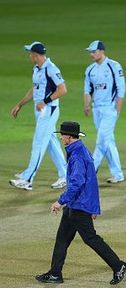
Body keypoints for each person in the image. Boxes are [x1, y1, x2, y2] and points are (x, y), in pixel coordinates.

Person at [35, 121, 126, 285]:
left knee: (90, 238)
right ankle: (55, 273)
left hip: (79, 205)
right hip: (76, 204)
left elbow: (78, 183)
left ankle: (118, 265)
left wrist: (60, 201)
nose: (61, 138)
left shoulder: (78, 155)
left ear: (69, 137)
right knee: (63, 238)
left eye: (62, 135)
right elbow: (90, 182)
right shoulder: (78, 150)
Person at [9, 41, 67, 191]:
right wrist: (19, 104)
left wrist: (45, 101)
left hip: (49, 110)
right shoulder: (37, 69)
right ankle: (66, 174)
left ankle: (28, 179)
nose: (29, 55)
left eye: (30, 53)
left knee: (38, 143)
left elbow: (62, 89)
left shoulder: (51, 69)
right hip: (41, 111)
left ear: (35, 55)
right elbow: (35, 89)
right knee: (50, 143)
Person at [84, 40, 126, 184]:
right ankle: (118, 174)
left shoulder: (114, 66)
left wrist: (117, 109)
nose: (91, 54)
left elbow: (121, 88)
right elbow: (88, 90)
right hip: (97, 109)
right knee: (108, 141)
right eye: (90, 52)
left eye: (94, 52)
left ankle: (90, 172)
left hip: (110, 108)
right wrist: (87, 105)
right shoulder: (90, 69)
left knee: (101, 139)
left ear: (102, 51)